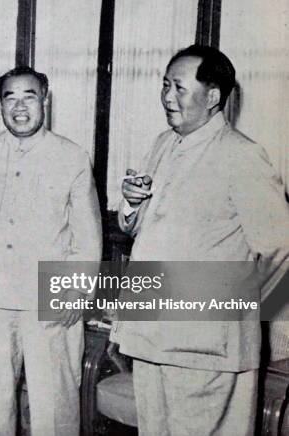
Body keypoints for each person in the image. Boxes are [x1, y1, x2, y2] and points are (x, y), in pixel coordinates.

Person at [111, 45, 289, 435]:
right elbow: (144, 230)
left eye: (178, 87)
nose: (167, 97)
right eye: (164, 86)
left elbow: (280, 249)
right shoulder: (162, 144)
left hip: (206, 344)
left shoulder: (242, 156)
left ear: (212, 97)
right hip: (150, 333)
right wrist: (131, 202)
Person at [0, 65, 102, 436]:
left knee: (54, 405)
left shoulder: (72, 157)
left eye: (28, 96)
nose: (19, 106)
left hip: (50, 299)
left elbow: (88, 234)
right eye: (9, 97)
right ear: (0, 105)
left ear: (44, 100)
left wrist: (77, 291)